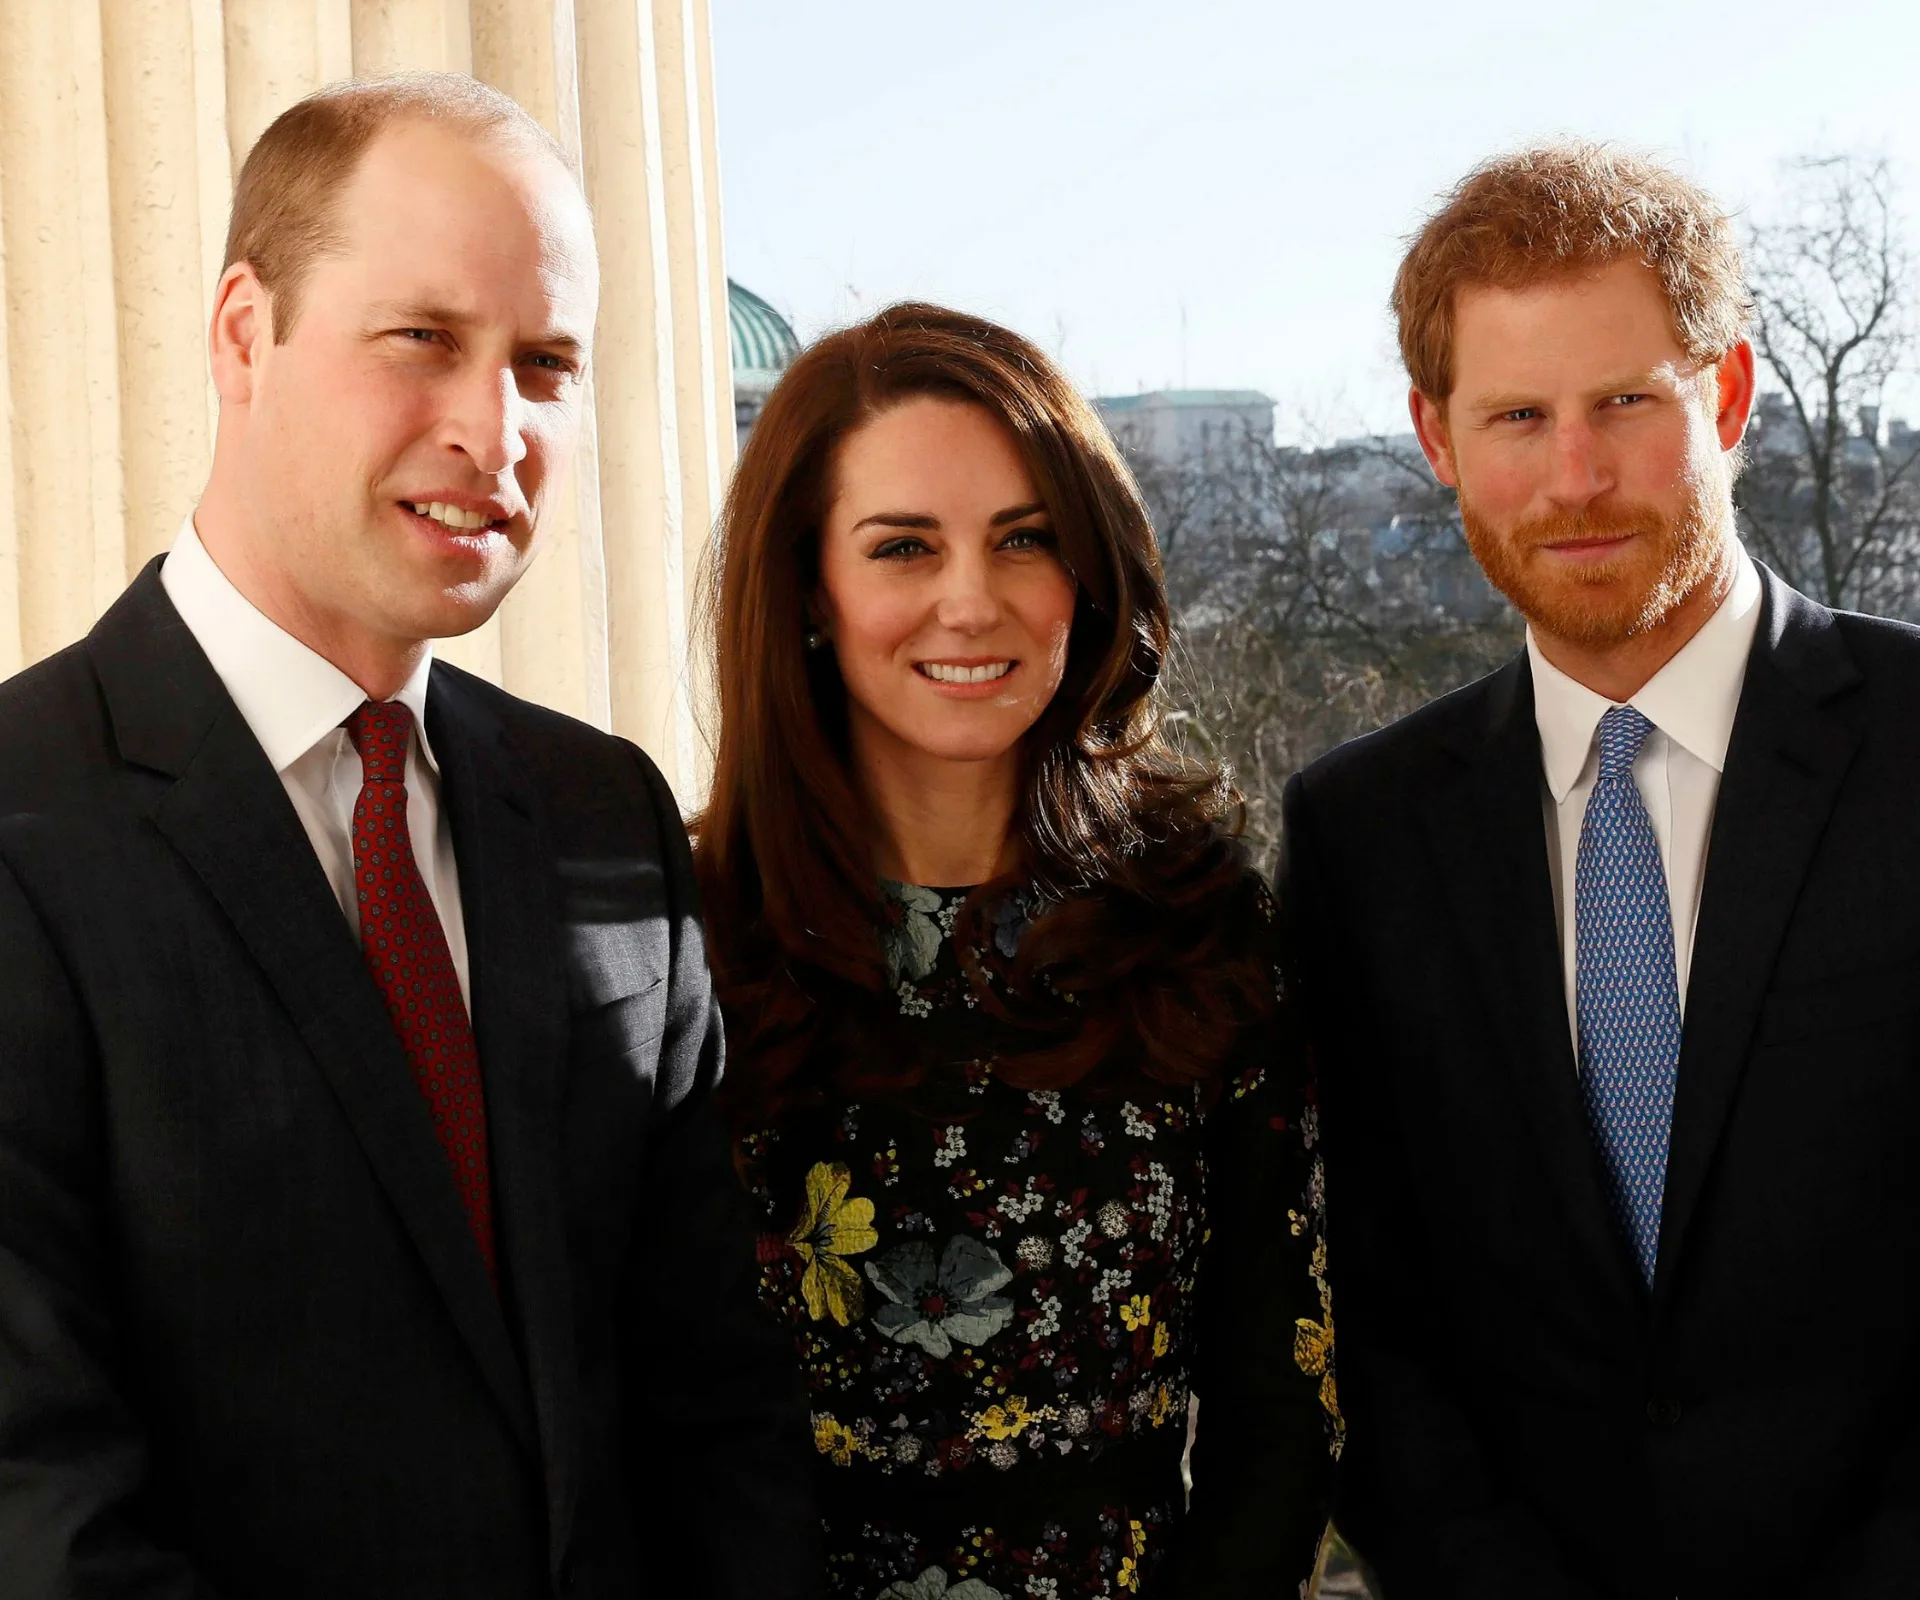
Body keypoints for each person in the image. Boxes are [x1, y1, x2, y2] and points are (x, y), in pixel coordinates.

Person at [0, 74, 815, 1598]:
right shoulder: (23, 823)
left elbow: (717, 1412)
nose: (494, 433)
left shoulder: (606, 818)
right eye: (423, 340)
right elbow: (35, 1510)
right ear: (246, 332)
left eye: (547, 364)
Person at [1280, 143, 1920, 1598]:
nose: (1576, 477)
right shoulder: (1361, 836)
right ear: (1437, 439)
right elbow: (1373, 1310)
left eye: (1627, 401)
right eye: (1517, 416)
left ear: (1732, 396)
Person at [693, 303, 1338, 1598]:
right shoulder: (683, 944)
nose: (969, 602)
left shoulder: (1206, 925)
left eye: (1023, 539)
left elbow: (1288, 1407)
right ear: (810, 591)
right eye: (902, 548)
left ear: (1086, 573)